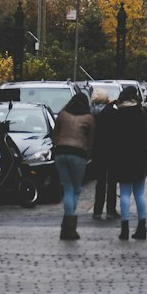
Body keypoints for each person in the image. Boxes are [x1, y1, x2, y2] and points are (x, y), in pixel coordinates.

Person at [51, 88, 94, 241]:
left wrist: (57, 144)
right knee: (76, 189)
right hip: (78, 154)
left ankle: (67, 224)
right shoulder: (89, 118)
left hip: (61, 152)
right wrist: (88, 154)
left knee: (67, 187)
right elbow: (91, 140)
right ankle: (69, 224)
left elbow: (54, 134)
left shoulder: (63, 114)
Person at [111, 82, 147, 240]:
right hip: (139, 157)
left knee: (125, 193)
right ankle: (142, 226)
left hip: (122, 158)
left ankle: (125, 228)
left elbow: (113, 139)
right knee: (140, 194)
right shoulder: (141, 113)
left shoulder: (118, 114)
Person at [89, 87, 118, 220]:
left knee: (100, 182)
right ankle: (111, 210)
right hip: (112, 150)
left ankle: (97, 210)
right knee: (111, 182)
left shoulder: (91, 114)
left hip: (97, 151)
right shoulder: (112, 112)